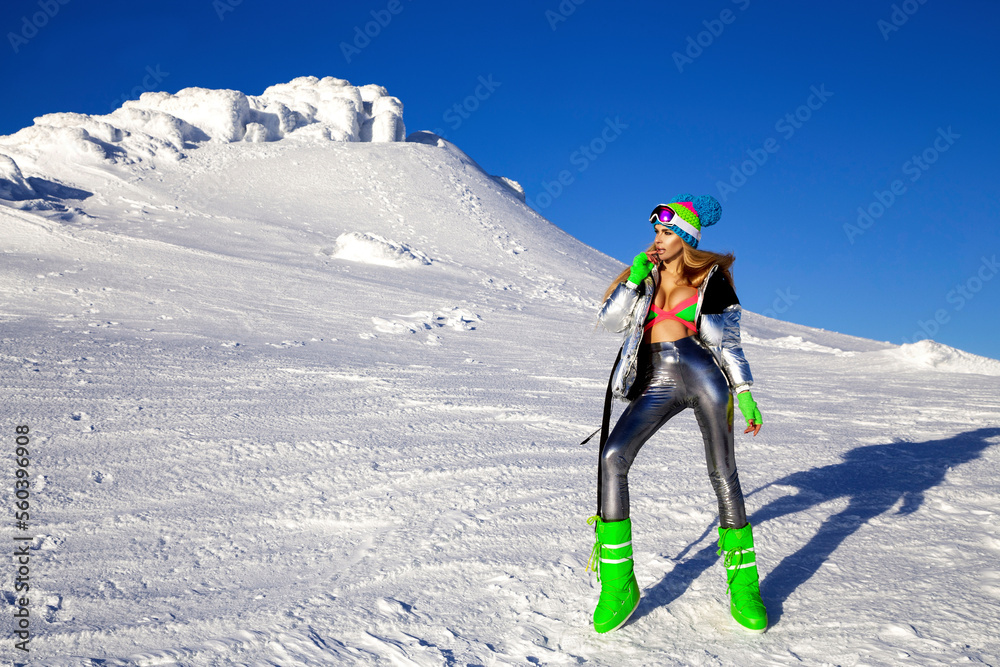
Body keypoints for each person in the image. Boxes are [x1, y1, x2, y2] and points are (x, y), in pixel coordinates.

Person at [586, 194, 767, 634]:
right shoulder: (644, 278)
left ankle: (745, 586)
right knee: (613, 456)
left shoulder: (711, 279)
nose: (658, 238)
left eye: (667, 231)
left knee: (722, 471)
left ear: (686, 238)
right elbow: (609, 322)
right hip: (658, 378)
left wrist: (744, 393)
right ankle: (618, 584)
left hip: (704, 375)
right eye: (655, 231)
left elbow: (729, 343)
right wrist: (634, 279)